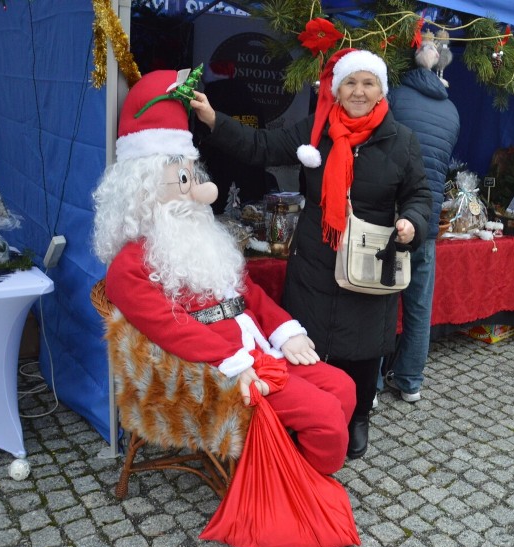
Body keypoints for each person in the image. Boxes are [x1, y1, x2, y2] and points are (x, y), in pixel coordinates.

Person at [91, 69, 355, 475]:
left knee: (344, 388)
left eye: (193, 175)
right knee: (324, 416)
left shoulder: (202, 235)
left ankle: (286, 463)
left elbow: (249, 293)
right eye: (183, 180)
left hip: (256, 350)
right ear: (141, 188)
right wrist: (228, 360)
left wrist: (287, 330)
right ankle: (297, 482)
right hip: (212, 372)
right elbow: (169, 330)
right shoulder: (130, 265)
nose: (201, 190)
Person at [191, 49, 431, 459]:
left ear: (380, 90)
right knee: (307, 342)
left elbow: (420, 196)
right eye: (350, 83)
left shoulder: (402, 141)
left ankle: (355, 418)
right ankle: (311, 417)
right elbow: (260, 146)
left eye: (367, 83)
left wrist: (412, 222)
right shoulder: (315, 129)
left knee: (362, 350)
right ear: (336, 89)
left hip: (370, 263)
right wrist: (215, 120)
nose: (358, 91)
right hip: (316, 256)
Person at [380, 40, 459, 403]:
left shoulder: (394, 97)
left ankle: (373, 385)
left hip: (389, 213)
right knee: (418, 305)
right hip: (426, 217)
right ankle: (411, 380)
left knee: (378, 298)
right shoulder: (453, 112)